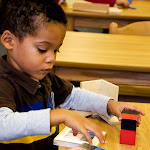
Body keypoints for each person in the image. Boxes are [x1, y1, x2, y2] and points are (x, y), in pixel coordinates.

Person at [0, 0, 144, 150]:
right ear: (9, 41)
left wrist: (109, 104)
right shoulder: (3, 82)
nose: (52, 59)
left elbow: (72, 96)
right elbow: (3, 125)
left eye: (56, 50)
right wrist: (61, 115)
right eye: (42, 49)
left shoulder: (43, 77)